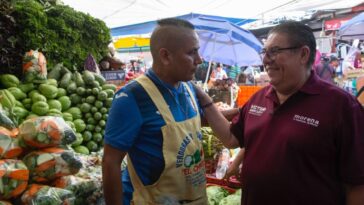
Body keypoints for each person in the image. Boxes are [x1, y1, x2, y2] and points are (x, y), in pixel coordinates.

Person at [193, 21, 364, 205]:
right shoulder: (259, 98)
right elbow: (231, 138)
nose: (266, 59)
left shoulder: (341, 106)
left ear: (303, 54)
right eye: (264, 52)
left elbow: (357, 184)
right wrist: (205, 99)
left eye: (274, 51)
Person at [102, 18, 239, 205]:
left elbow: (199, 120)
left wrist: (245, 112)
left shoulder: (189, 88)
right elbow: (111, 162)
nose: (199, 60)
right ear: (165, 56)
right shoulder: (132, 97)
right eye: (192, 53)